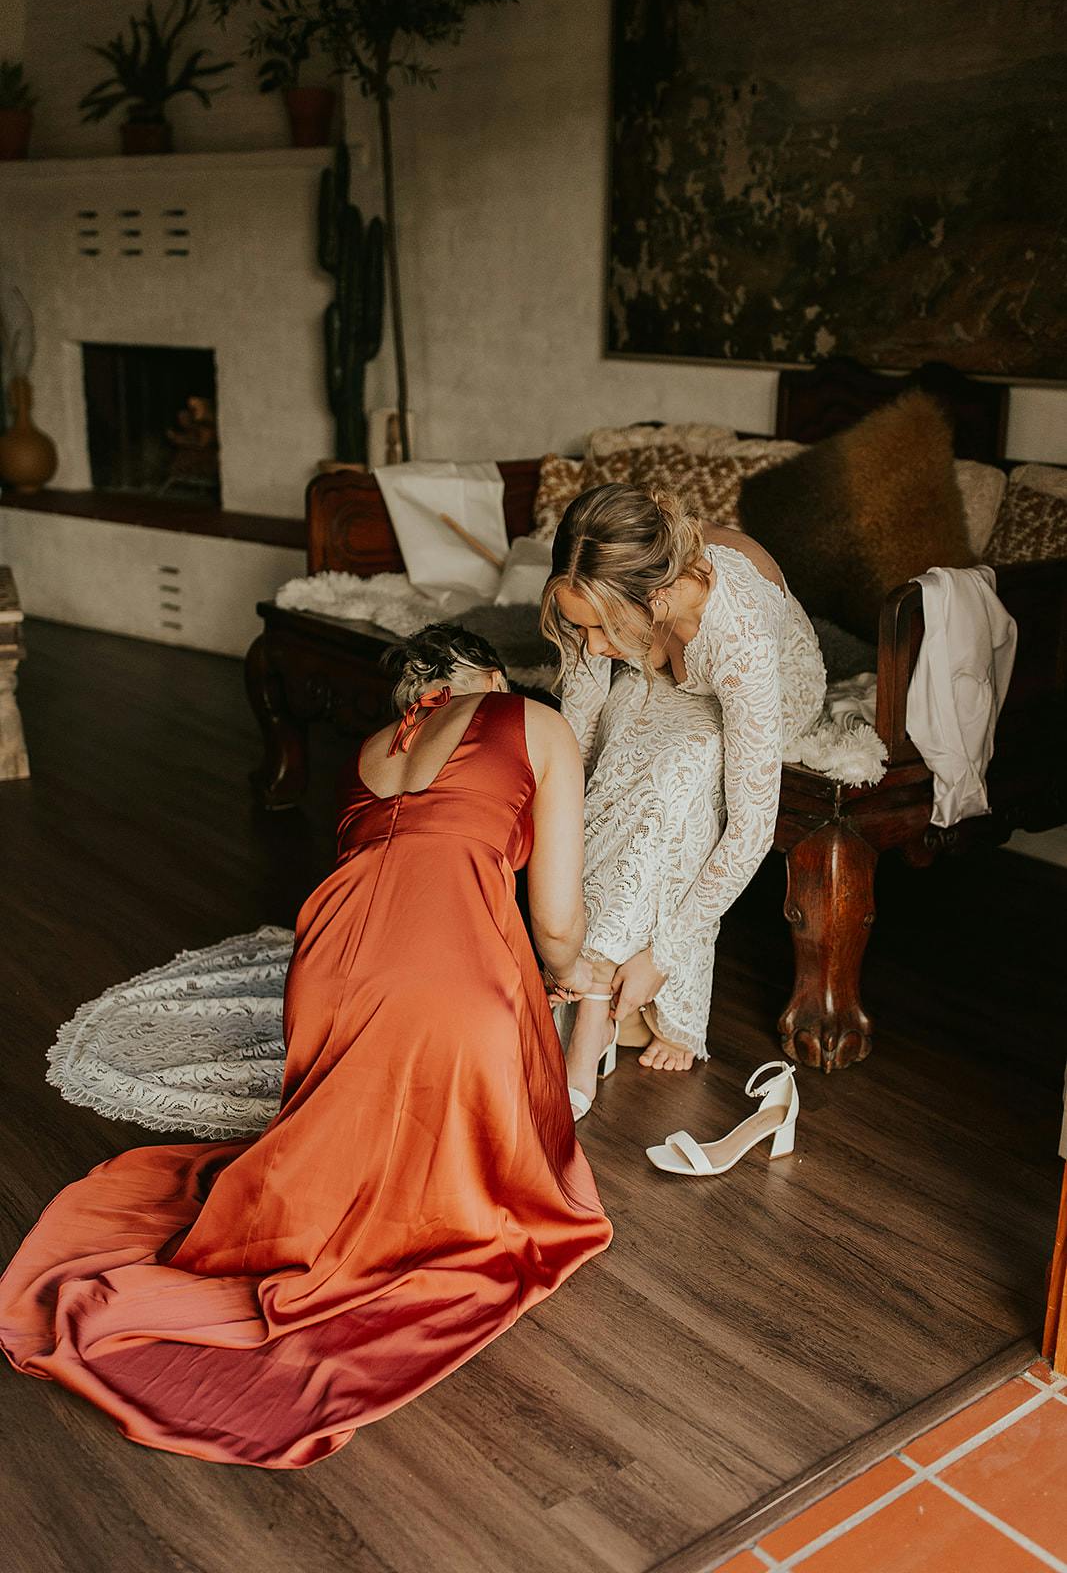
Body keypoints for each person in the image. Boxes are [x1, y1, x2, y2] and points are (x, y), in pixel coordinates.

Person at [0, 624, 612, 1469]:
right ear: (492, 676)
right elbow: (554, 920)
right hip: (446, 972)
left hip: (326, 967)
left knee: (364, 1119)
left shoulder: (369, 750)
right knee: (479, 1160)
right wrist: (579, 974)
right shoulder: (531, 719)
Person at [540, 483, 826, 1112]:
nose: (592, 646)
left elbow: (752, 828)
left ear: (658, 597)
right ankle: (595, 990)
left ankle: (599, 1013)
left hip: (776, 690)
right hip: (676, 677)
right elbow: (578, 729)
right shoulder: (606, 576)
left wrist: (664, 956)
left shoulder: (741, 640)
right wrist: (563, 816)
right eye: (581, 626)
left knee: (684, 766)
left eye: (602, 628)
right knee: (620, 736)